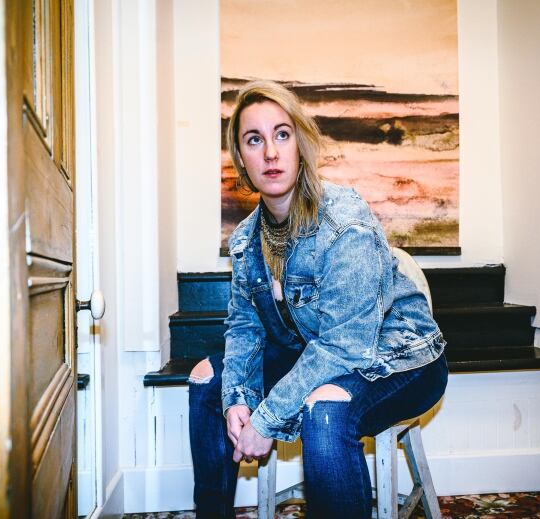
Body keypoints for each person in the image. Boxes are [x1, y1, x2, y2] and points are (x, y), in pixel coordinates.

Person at [188, 80, 448, 519]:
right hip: (320, 354)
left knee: (324, 408)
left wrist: (266, 419)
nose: (270, 152)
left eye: (282, 134)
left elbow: (345, 346)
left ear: (300, 144)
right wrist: (237, 397)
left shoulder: (344, 222)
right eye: (255, 139)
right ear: (242, 159)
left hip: (402, 358)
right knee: (207, 378)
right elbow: (245, 327)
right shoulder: (246, 241)